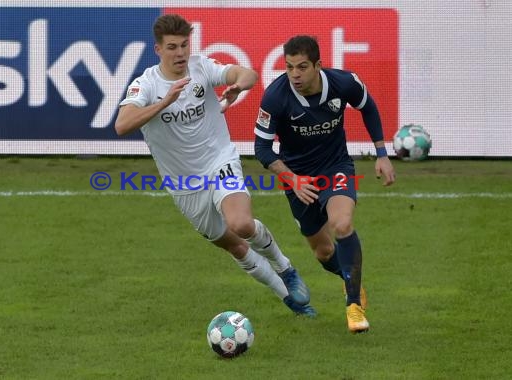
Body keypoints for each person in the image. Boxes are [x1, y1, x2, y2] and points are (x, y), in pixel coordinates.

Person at [115, 15, 315, 317]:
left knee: (242, 224)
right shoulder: (146, 85)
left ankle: (286, 268)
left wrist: (236, 85)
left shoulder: (201, 67)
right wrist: (164, 102)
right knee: (234, 245)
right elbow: (122, 125)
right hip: (183, 184)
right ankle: (287, 296)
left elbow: (248, 74)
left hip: (219, 161)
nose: (180, 53)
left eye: (184, 45)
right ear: (158, 50)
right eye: (172, 47)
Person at [254, 35, 396, 333]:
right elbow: (262, 150)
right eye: (290, 67)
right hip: (297, 177)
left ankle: (353, 305)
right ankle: (350, 279)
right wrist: (293, 179)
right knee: (323, 253)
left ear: (318, 65)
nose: (295, 74)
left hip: (335, 167)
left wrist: (382, 154)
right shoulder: (275, 96)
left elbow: (368, 107)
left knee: (341, 224)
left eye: (302, 67)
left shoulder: (344, 83)